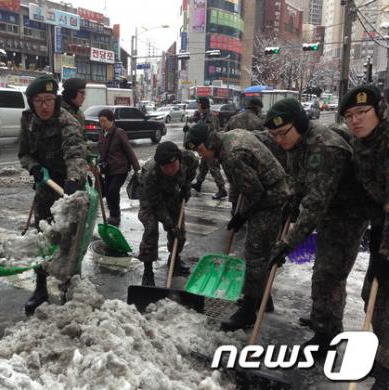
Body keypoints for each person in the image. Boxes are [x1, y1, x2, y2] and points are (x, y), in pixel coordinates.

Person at [265, 98, 368, 356]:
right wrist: (293, 199)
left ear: (298, 124)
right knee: (326, 271)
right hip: (330, 210)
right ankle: (326, 319)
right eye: (273, 135)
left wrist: (287, 245)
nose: (278, 140)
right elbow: (300, 179)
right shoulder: (297, 143)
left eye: (282, 133)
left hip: (347, 215)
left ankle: (327, 335)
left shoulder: (325, 148)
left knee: (328, 275)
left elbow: (315, 207)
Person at [185, 123, 290, 331]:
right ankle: (263, 299)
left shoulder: (231, 154)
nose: (201, 155)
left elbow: (255, 193)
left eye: (200, 149)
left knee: (255, 254)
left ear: (209, 142)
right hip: (269, 191)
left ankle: (249, 310)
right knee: (260, 252)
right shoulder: (230, 137)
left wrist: (241, 216)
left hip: (271, 199)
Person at [18, 74, 88, 315]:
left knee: (70, 239)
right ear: (31, 103)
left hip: (69, 188)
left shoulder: (67, 122)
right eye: (39, 101)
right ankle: (40, 288)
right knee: (42, 239)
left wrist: (72, 182)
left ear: (56, 100)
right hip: (45, 188)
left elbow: (77, 156)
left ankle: (70, 287)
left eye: (49, 99)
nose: (44, 106)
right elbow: (24, 154)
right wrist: (34, 167)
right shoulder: (28, 121)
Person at [339, 85, 389, 389]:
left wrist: (385, 252)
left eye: (361, 112)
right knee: (372, 293)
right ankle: (383, 353)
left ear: (379, 111)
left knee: (384, 298)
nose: (355, 120)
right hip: (383, 224)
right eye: (349, 116)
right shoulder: (361, 145)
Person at [138, 141, 198, 286]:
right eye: (166, 168)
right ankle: (148, 271)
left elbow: (190, 173)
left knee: (179, 231)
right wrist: (169, 224)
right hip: (151, 198)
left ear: (179, 159)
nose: (171, 170)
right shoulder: (150, 174)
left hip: (171, 193)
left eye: (173, 166)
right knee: (151, 229)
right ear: (160, 166)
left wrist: (186, 188)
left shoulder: (188, 158)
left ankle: (174, 259)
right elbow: (157, 205)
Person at [97, 108, 140, 227]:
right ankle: (113, 213)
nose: (102, 124)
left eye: (104, 121)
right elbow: (101, 153)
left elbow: (129, 151)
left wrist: (137, 168)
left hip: (120, 169)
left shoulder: (119, 133)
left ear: (111, 121)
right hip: (108, 170)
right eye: (100, 121)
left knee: (112, 191)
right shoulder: (101, 134)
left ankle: (115, 215)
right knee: (108, 192)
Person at [184, 97, 227, 200]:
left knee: (213, 167)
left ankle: (222, 189)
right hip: (204, 146)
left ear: (203, 105)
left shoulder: (211, 117)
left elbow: (211, 132)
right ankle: (199, 183)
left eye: (199, 104)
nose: (197, 107)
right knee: (203, 166)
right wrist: (189, 129)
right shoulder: (203, 116)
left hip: (210, 147)